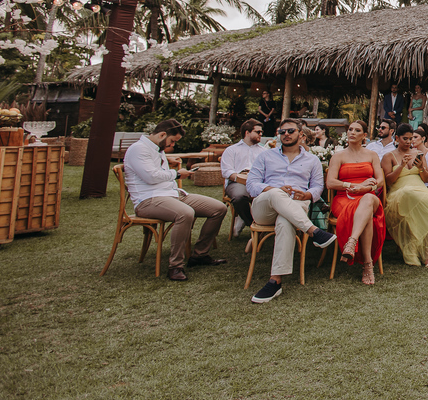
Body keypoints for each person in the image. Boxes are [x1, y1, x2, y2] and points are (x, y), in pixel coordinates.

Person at [123, 119, 229, 282]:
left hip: (173, 195)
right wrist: (178, 174)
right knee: (186, 213)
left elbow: (156, 171)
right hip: (148, 200)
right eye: (172, 141)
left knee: (219, 208)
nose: (172, 145)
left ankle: (199, 255)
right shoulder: (138, 149)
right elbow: (150, 177)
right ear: (162, 134)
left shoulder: (157, 149)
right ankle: (175, 266)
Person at [246, 119, 337, 303]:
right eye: (282, 131)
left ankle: (275, 281)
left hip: (296, 204)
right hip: (265, 207)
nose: (285, 134)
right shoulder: (265, 156)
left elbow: (318, 187)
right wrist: (271, 189)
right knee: (276, 193)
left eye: (290, 131)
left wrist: (307, 195)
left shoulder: (312, 160)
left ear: (301, 135)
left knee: (286, 220)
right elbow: (251, 184)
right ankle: (313, 231)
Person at [381, 124, 428, 268]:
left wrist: (421, 168)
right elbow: (389, 181)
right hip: (399, 195)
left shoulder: (418, 154)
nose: (409, 142)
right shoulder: (388, 156)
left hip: (420, 192)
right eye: (405, 139)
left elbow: (425, 178)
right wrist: (402, 166)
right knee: (409, 192)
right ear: (397, 138)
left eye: (411, 139)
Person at [325, 120, 384, 285]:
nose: (352, 132)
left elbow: (380, 181)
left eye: (357, 130)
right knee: (367, 218)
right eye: (350, 129)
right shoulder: (338, 156)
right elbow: (330, 183)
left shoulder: (372, 155)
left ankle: (351, 242)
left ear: (364, 136)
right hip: (344, 198)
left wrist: (365, 188)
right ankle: (367, 265)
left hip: (367, 196)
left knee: (368, 199)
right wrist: (352, 185)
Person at [220, 119, 266, 237]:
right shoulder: (232, 150)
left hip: (258, 181)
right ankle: (252, 225)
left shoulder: (264, 151)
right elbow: (227, 171)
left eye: (261, 132)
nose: (261, 134)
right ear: (247, 132)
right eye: (258, 132)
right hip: (237, 182)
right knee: (239, 197)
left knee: (272, 195)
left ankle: (243, 217)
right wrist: (242, 179)